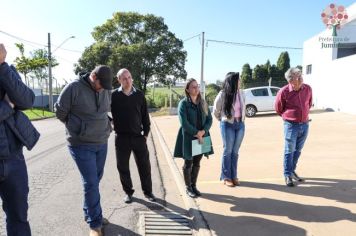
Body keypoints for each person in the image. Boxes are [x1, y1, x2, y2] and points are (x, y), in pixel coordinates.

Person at [55, 65, 113, 236]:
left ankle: (91, 213)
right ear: (94, 77)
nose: (103, 89)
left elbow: (105, 110)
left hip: (101, 141)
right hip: (81, 144)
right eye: (101, 84)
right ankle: (95, 224)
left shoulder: (105, 88)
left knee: (96, 180)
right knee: (91, 183)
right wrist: (78, 128)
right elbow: (60, 112)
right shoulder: (73, 88)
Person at [0, 43, 40, 236]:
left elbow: (26, 101)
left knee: (18, 217)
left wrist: (2, 66)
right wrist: (7, 106)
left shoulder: (6, 71)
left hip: (13, 158)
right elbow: (12, 105)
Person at [111, 68, 155, 204]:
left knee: (145, 166)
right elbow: (101, 111)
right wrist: (110, 122)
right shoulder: (114, 96)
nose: (127, 80)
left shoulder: (139, 95)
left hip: (138, 138)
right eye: (124, 78)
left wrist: (146, 135)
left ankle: (148, 192)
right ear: (119, 80)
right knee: (122, 166)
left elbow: (145, 117)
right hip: (121, 138)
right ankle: (128, 192)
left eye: (129, 77)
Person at [173, 78, 213, 198]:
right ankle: (188, 187)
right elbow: (184, 123)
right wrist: (197, 133)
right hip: (189, 138)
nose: (196, 89)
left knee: (197, 162)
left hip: (202, 137)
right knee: (188, 162)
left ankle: (194, 185)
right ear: (188, 90)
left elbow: (210, 119)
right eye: (193, 87)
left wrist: (203, 131)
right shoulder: (183, 104)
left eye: (197, 86)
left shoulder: (203, 102)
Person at [275, 67, 312, 187]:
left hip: (305, 124)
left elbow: (309, 104)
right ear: (291, 80)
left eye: (300, 73)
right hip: (291, 126)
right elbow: (278, 108)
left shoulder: (308, 88)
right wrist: (289, 118)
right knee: (289, 150)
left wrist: (303, 117)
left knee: (298, 150)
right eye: (297, 75)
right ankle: (287, 175)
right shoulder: (284, 91)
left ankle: (292, 171)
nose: (300, 76)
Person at [213, 72, 246, 187]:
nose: (240, 81)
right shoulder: (223, 94)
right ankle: (226, 177)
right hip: (227, 124)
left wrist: (241, 120)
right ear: (232, 81)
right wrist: (223, 120)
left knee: (235, 152)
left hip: (240, 124)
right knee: (228, 151)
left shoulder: (241, 93)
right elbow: (216, 111)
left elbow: (243, 107)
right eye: (238, 80)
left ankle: (234, 176)